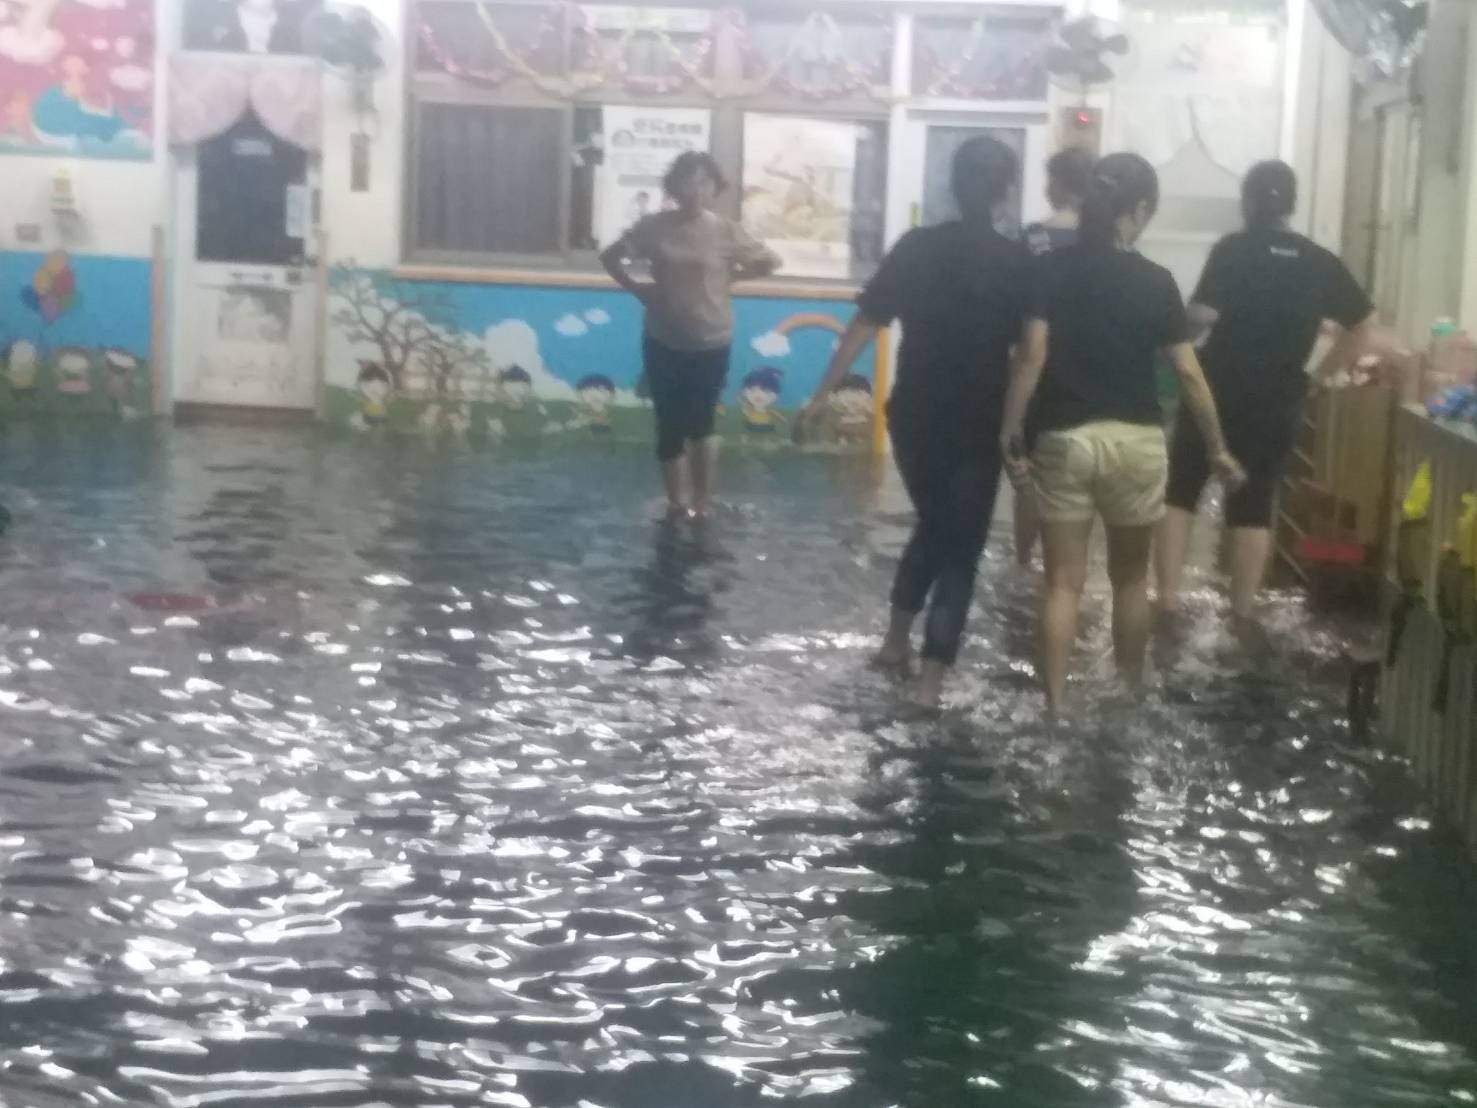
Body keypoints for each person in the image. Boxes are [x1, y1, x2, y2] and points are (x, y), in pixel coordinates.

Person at [1000, 153, 1245, 713]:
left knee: (1063, 581)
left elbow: (1031, 357)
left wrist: (1010, 430)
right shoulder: (1156, 281)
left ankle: (1056, 705)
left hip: (1065, 440)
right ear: (1136, 210)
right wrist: (1217, 447)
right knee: (1132, 580)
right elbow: (1187, 372)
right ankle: (1129, 695)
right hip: (1136, 440)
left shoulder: (1050, 271)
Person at [798, 136, 1038, 709]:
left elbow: (865, 322)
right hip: (979, 418)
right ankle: (929, 685)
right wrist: (1014, 428)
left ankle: (893, 643)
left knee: (934, 523)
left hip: (915, 417)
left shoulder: (916, 247)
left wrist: (821, 395)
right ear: (1006, 192)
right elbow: (1030, 354)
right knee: (961, 544)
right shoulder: (1018, 262)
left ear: (952, 187)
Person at [1156, 160, 1375, 627]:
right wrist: (1317, 377)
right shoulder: (1319, 260)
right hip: (1279, 396)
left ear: (1248, 202)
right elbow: (1362, 326)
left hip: (1216, 388)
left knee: (1181, 492)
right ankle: (1241, 611)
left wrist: (1176, 334)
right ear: (1290, 204)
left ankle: (1169, 601)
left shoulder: (1233, 250)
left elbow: (1203, 315)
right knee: (1255, 503)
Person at [601, 152, 781, 518]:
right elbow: (610, 257)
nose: (695, 190)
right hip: (663, 338)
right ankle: (676, 503)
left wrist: (731, 278)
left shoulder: (727, 230)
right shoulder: (653, 227)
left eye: (704, 182)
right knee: (668, 423)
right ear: (673, 186)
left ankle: (702, 502)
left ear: (716, 187)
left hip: (711, 339)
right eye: (687, 181)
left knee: (701, 423)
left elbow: (770, 262)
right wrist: (636, 289)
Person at [1016, 147, 1093, 568]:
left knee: (1029, 472)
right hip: (1090, 369)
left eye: (1050, 179)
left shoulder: (1033, 238)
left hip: (1039, 367)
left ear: (1061, 184)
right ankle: (1068, 562)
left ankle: (1024, 561)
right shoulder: (1104, 240)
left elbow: (1016, 309)